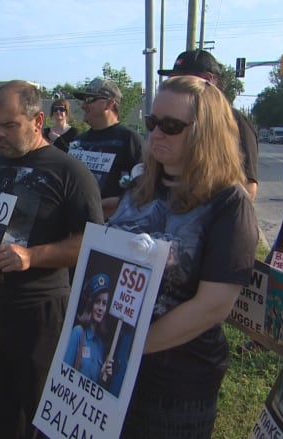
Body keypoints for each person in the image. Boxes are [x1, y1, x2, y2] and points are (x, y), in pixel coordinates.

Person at [106, 76, 258, 437]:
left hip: (176, 379)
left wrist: (128, 348)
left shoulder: (228, 203)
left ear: (205, 132)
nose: (156, 133)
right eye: (151, 122)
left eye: (171, 125)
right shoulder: (140, 188)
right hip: (112, 360)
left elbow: (213, 306)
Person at [0, 80, 103, 438]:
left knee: (40, 413)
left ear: (38, 120)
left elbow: (93, 243)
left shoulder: (69, 173)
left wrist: (32, 255)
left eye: (9, 125)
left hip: (39, 313)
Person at [158, 49, 260, 201]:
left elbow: (248, 189)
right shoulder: (172, 118)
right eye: (172, 79)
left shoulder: (233, 120)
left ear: (208, 80)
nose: (174, 85)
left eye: (181, 79)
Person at [69, 77, 144, 218]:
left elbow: (145, 187)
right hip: (72, 224)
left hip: (108, 228)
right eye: (83, 100)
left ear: (109, 103)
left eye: (90, 100)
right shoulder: (78, 142)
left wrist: (120, 202)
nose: (83, 106)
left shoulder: (130, 140)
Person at [63, 273, 112, 383]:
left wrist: (103, 376)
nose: (100, 308)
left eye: (104, 303)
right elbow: (63, 373)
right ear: (90, 304)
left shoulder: (101, 344)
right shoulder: (78, 332)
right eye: (97, 302)